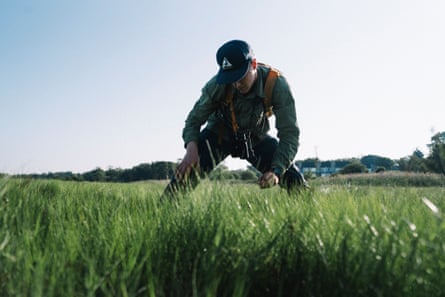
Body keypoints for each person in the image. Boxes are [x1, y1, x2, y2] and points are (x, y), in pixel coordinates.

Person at [163, 39, 307, 198]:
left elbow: (290, 134)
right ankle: (162, 215)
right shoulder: (217, 84)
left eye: (240, 76)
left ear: (253, 64)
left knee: (296, 182)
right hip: (219, 135)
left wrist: (276, 171)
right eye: (231, 78)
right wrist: (191, 150)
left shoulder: (276, 84)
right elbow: (193, 121)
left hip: (253, 138)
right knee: (182, 179)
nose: (236, 83)